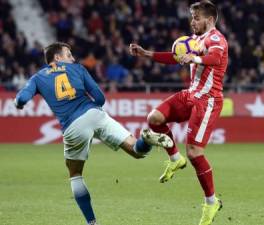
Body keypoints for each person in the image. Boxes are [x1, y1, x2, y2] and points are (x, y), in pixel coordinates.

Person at [14, 42, 173, 225]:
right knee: (137, 150)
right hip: (95, 114)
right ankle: (146, 138)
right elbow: (100, 98)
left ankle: (92, 222)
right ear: (57, 57)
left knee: (75, 174)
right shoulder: (78, 68)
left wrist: (18, 103)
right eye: (68, 54)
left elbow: (22, 98)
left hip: (73, 126)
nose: (72, 58)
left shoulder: (37, 78)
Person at [129, 1, 227, 224]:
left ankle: (211, 203)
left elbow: (216, 58)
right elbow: (173, 57)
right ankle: (174, 158)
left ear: (209, 20)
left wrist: (195, 58)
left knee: (195, 153)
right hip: (190, 94)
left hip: (208, 100)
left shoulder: (216, 39)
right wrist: (146, 53)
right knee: (154, 118)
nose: (192, 21)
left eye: (197, 17)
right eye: (192, 17)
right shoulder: (195, 40)